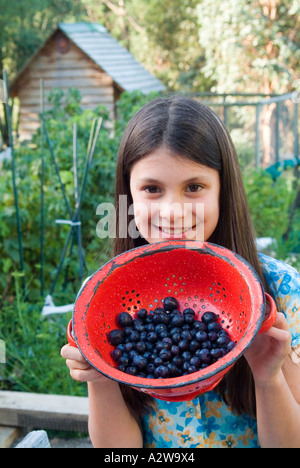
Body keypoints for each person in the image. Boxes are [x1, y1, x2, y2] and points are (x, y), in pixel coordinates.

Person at [61, 96, 300, 448]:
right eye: (152, 189)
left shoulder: (280, 291)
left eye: (194, 187)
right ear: (127, 193)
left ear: (223, 190)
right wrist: (100, 379)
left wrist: (269, 378)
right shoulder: (102, 301)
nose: (172, 212)